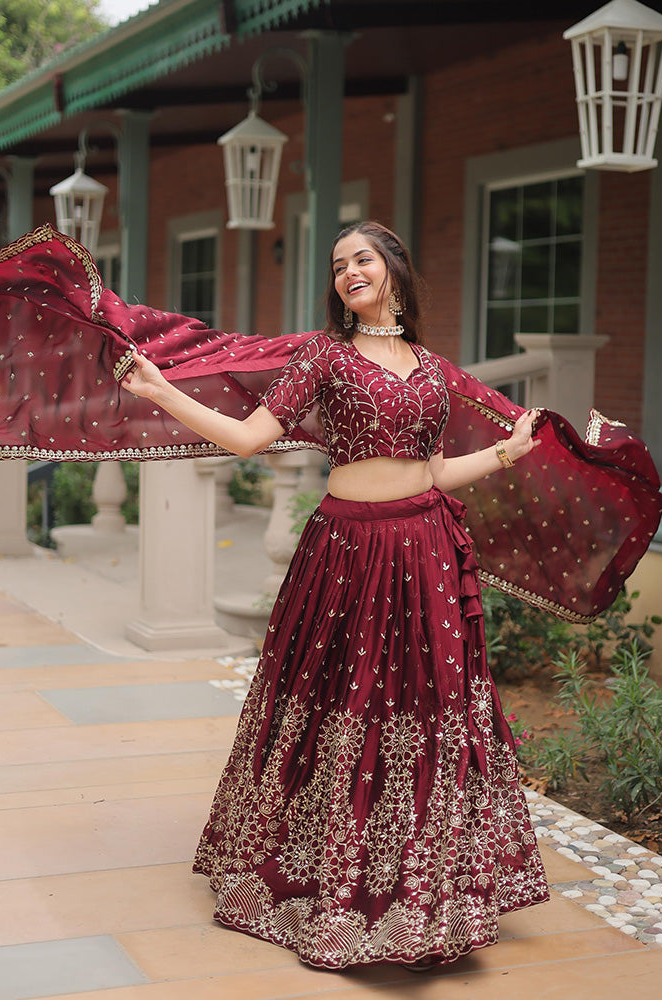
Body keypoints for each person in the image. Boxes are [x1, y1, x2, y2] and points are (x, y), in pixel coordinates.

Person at [120, 221, 550, 969]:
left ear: (393, 270)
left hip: (425, 550)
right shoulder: (325, 355)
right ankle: (332, 880)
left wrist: (507, 451)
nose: (350, 271)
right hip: (348, 554)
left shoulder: (431, 366)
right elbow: (250, 438)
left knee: (424, 710)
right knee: (342, 708)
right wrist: (160, 388)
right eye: (338, 264)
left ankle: (422, 895)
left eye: (362, 258)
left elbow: (436, 471)